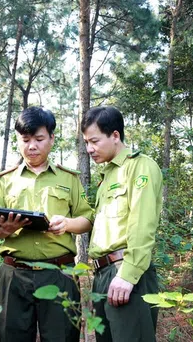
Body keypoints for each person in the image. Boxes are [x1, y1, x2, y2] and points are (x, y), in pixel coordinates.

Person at [0, 106, 94, 342]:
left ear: (52, 139)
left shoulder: (69, 178)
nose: (31, 146)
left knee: (62, 337)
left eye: (38, 139)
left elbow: (87, 219)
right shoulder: (6, 180)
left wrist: (66, 224)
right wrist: (3, 229)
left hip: (59, 273)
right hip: (14, 274)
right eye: (25, 140)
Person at [81, 106, 162, 342]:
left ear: (115, 136)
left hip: (126, 271)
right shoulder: (107, 177)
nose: (89, 149)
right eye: (86, 142)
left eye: (94, 141)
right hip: (103, 275)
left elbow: (142, 224)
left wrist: (128, 275)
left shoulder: (140, 167)